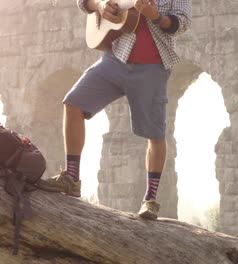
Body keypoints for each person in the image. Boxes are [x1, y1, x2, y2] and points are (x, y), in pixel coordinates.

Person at [37, 0, 191, 220]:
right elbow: (84, 2)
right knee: (73, 103)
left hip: (152, 68)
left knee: (155, 134)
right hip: (115, 59)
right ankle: (71, 178)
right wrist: (100, 7)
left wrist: (156, 17)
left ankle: (150, 200)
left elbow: (182, 23)